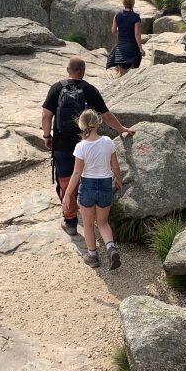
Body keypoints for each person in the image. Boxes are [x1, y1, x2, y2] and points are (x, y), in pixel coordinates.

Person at [41, 57, 134, 238]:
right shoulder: (89, 90)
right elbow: (106, 115)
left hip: (62, 145)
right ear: (83, 71)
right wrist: (121, 128)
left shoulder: (56, 88)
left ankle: (70, 222)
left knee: (66, 182)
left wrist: (47, 136)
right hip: (86, 145)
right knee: (86, 179)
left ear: (68, 70)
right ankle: (91, 218)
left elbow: (46, 115)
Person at [64, 110, 124, 270]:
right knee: (103, 222)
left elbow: (77, 173)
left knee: (89, 224)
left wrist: (68, 194)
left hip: (88, 186)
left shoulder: (81, 146)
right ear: (98, 123)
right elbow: (115, 165)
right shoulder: (107, 141)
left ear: (81, 125)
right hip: (105, 185)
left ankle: (93, 256)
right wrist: (118, 180)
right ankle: (111, 247)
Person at [107, 0, 145, 74]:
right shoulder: (136, 17)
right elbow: (137, 34)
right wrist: (141, 49)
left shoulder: (117, 14)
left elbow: (113, 30)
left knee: (122, 75)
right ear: (133, 2)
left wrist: (121, 31)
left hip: (121, 49)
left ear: (123, 2)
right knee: (132, 74)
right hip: (132, 49)